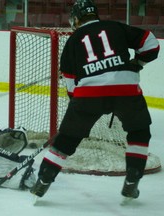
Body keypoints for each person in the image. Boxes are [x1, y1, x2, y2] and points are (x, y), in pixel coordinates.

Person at [30, 0, 160, 200]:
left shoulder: (73, 41)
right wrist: (137, 63)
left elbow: (72, 86)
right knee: (139, 132)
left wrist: (80, 109)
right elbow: (151, 44)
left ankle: (44, 179)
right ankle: (133, 178)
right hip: (126, 90)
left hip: (88, 96)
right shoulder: (116, 27)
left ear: (75, 18)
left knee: (66, 139)